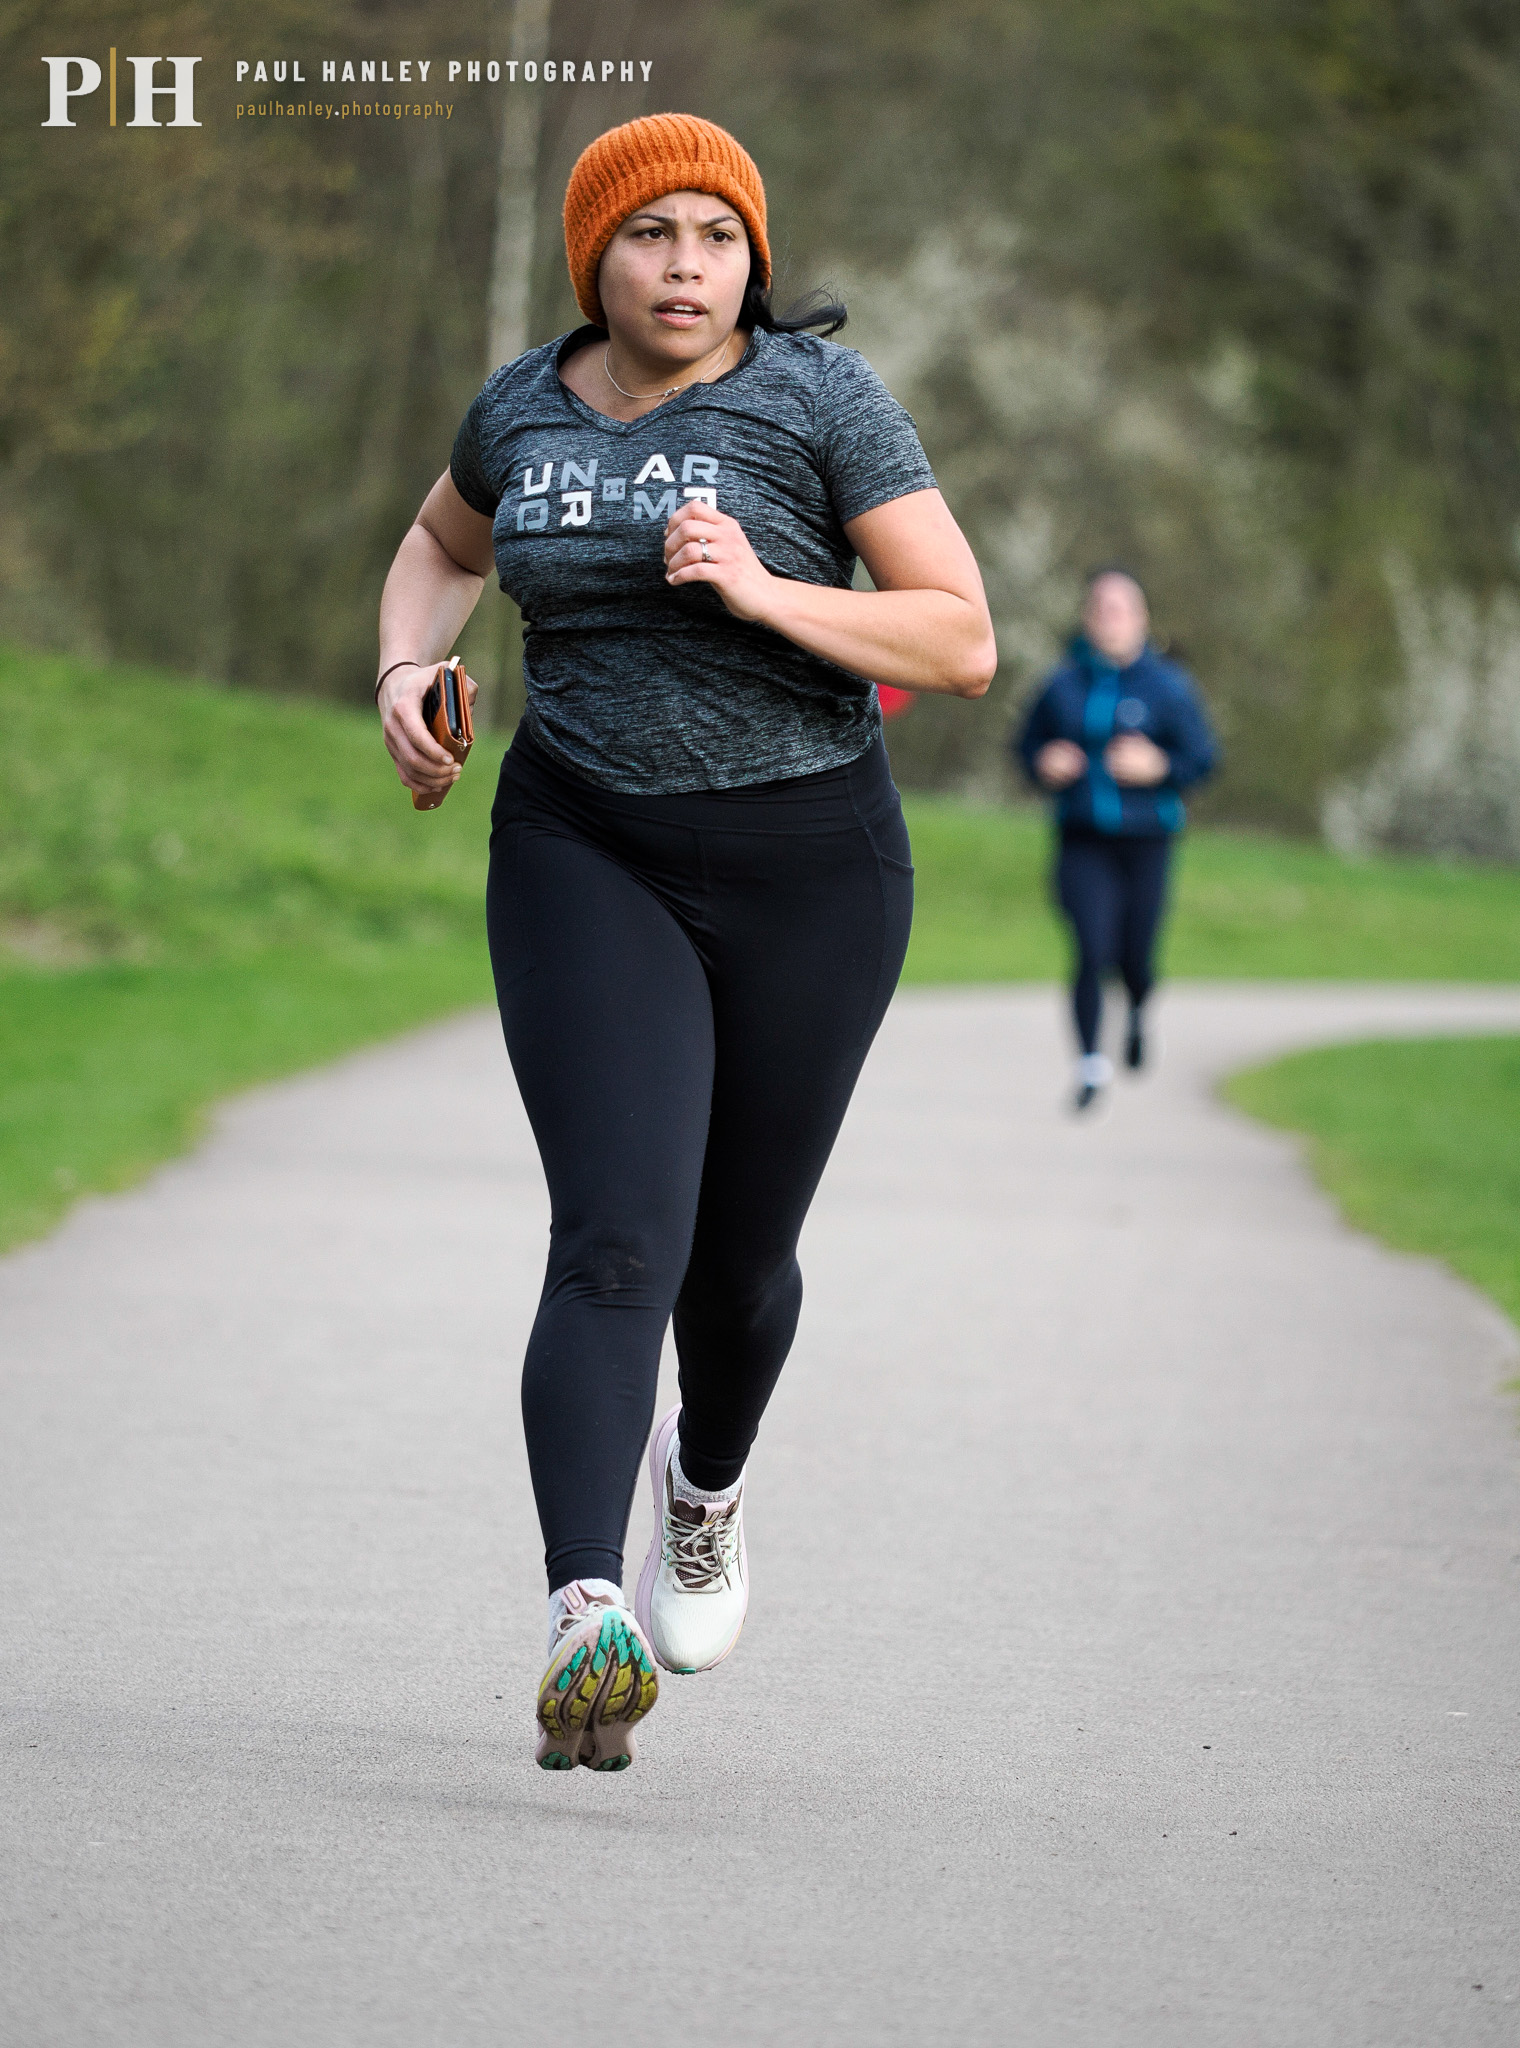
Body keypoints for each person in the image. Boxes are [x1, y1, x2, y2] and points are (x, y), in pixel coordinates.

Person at [374, 114, 995, 1770]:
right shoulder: (519, 405)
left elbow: (960, 637)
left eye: (718, 239)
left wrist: (769, 593)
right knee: (613, 1239)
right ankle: (587, 1606)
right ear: (597, 253)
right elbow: (440, 547)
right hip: (586, 843)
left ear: (754, 261)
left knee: (737, 1263)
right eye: (653, 236)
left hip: (813, 863)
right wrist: (399, 674)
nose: (687, 266)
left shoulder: (820, 403)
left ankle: (701, 1490)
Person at [1015, 568, 1218, 1111]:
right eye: (1100, 608)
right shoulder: (1061, 683)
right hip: (1081, 838)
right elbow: (1026, 745)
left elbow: (1203, 758)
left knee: (1136, 957)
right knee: (1089, 947)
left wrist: (1159, 766)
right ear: (1086, 618)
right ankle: (1090, 1067)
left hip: (1148, 840)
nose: (1110, 618)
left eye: (1121, 609)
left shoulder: (1169, 687)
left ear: (1141, 620)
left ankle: (1136, 1012)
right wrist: (1044, 761)